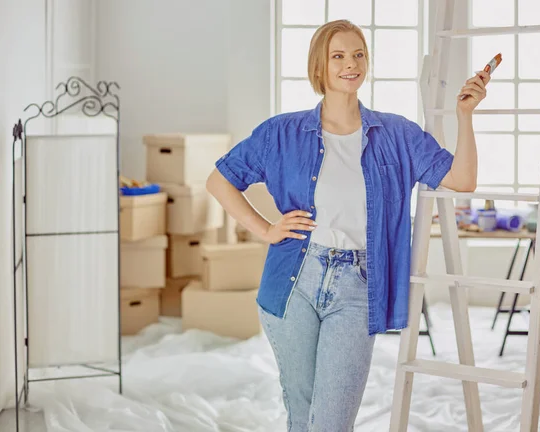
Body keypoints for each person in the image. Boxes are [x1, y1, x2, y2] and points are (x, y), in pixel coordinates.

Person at [206, 19, 488, 432]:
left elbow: (462, 180)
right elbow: (219, 181)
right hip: (294, 281)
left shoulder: (396, 134)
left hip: (359, 285)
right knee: (301, 414)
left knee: (332, 421)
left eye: (358, 54)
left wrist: (465, 115)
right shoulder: (282, 132)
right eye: (337, 56)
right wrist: (266, 228)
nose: (350, 64)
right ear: (319, 67)